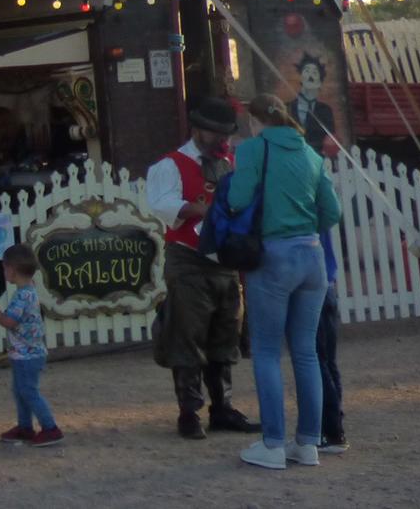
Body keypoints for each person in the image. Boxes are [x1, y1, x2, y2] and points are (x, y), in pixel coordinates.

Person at [227, 93, 342, 470]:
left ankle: (273, 444)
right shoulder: (311, 155)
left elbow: (239, 199)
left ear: (256, 122)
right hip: (312, 257)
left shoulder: (252, 151)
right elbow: (332, 212)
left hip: (274, 257)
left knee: (265, 351)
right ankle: (308, 443)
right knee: (306, 353)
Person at [145, 96, 258, 439]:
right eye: (215, 134)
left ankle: (222, 408)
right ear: (197, 130)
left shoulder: (231, 161)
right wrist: (198, 210)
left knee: (225, 335)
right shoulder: (170, 165)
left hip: (225, 260)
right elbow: (160, 204)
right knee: (187, 335)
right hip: (190, 259)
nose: (222, 140)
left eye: (225, 134)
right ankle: (189, 412)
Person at [0, 243, 62, 446]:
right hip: (25, 353)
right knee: (21, 390)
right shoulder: (29, 290)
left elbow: (10, 322)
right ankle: (25, 427)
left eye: (5, 267)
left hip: (28, 354)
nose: (4, 271)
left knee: (28, 391)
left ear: (12, 269)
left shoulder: (22, 295)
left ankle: (50, 427)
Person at [317, 228, 347, 452]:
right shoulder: (321, 194)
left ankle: (330, 430)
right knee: (329, 360)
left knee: (317, 360)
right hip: (327, 280)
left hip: (311, 282)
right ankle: (336, 425)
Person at [290, 55, 340, 154]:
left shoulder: (325, 110)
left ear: (320, 82)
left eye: (315, 73)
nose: (310, 76)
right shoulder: (286, 108)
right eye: (307, 71)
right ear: (300, 77)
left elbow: (330, 140)